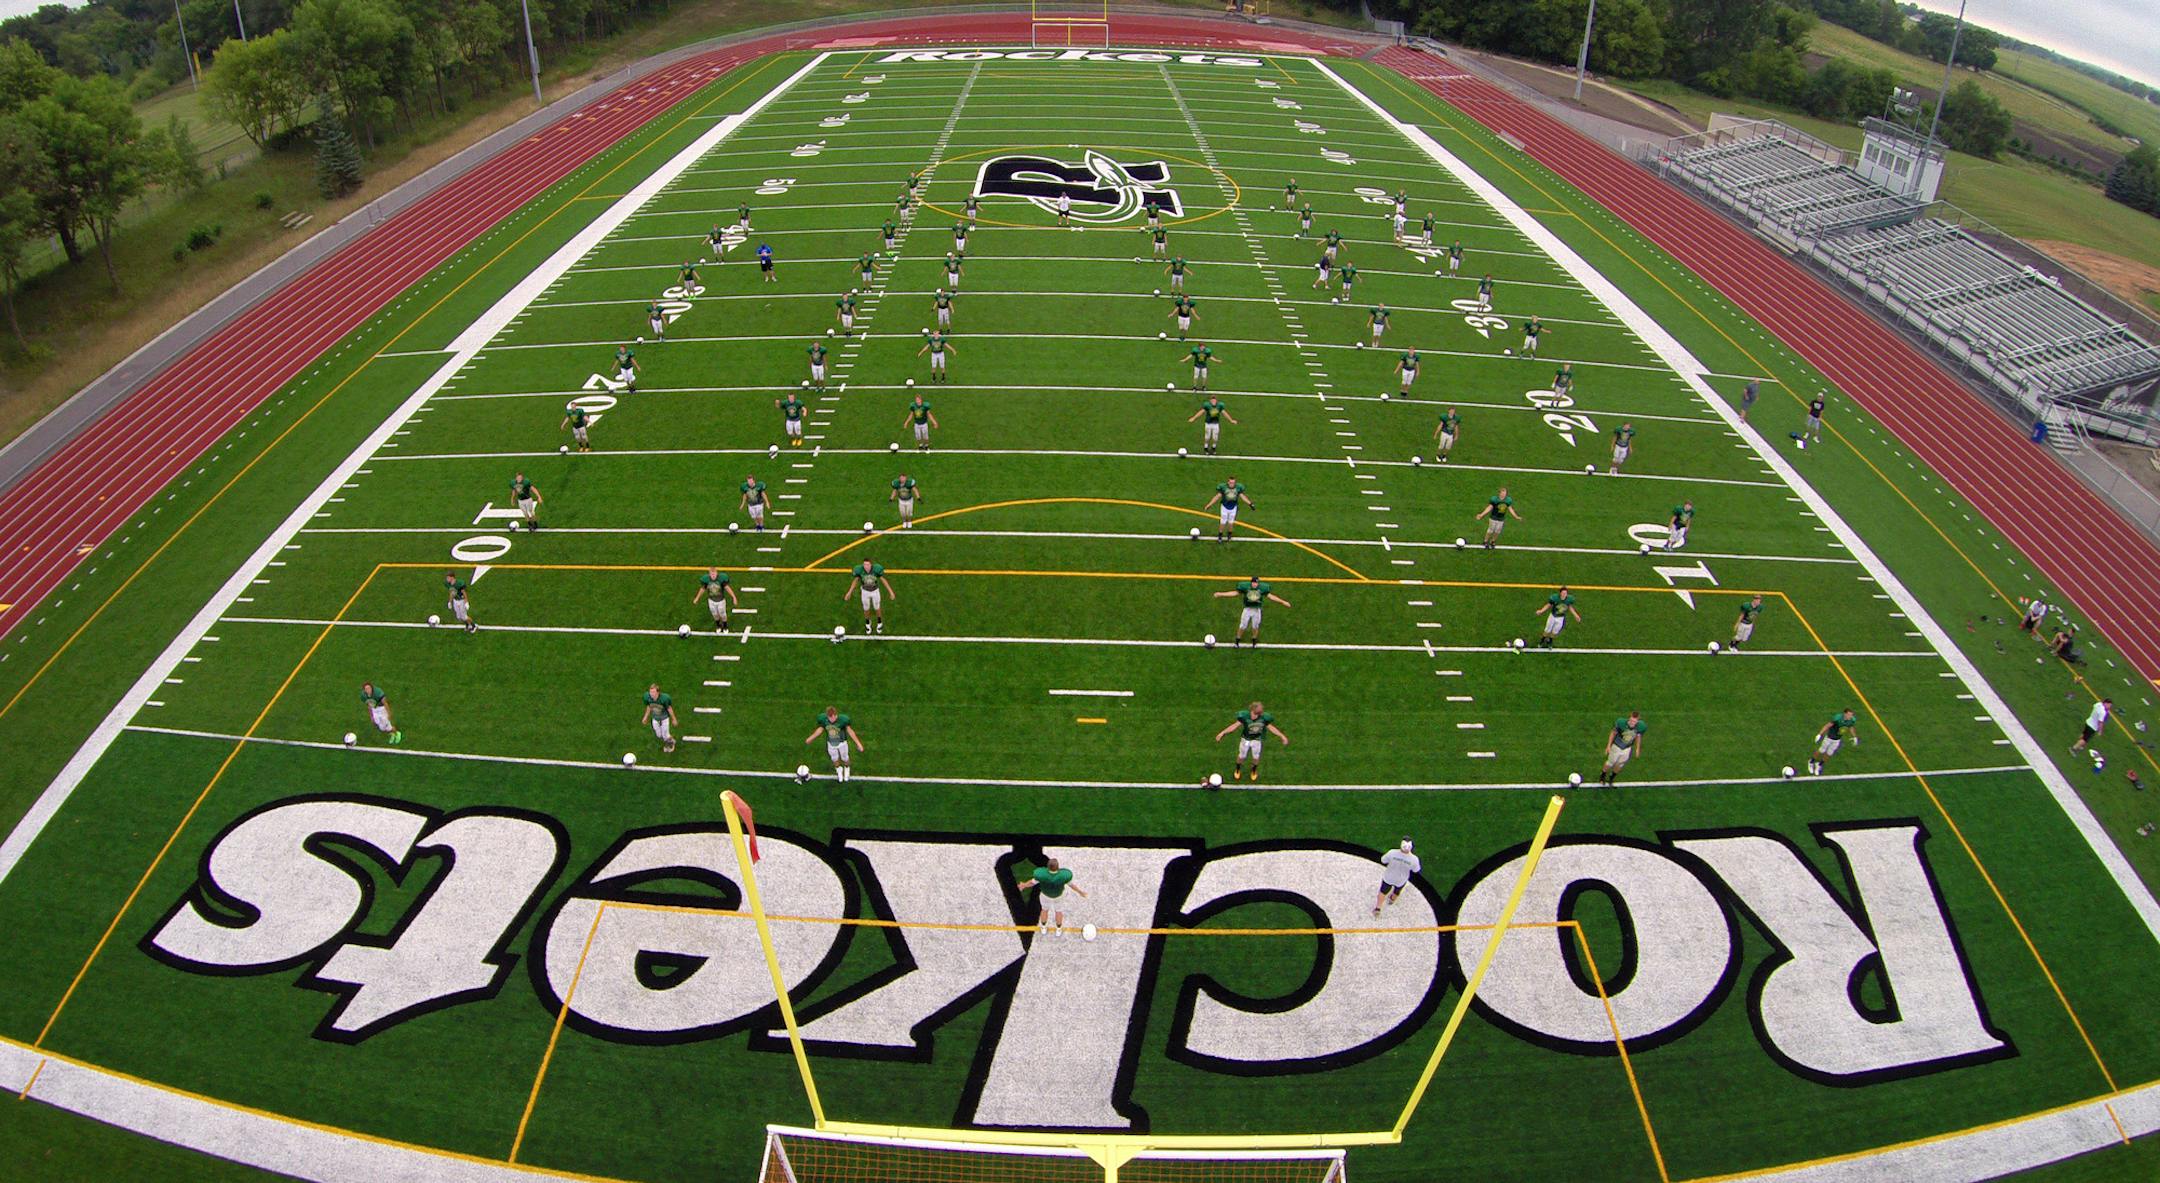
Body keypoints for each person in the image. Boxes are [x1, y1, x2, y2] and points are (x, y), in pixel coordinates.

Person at [1215, 700, 1289, 782]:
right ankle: (1238, 768)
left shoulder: (1264, 718)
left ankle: (1253, 770)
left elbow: (1271, 728)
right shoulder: (1245, 716)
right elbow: (1234, 726)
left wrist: (1281, 736)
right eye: (1256, 713)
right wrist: (1223, 733)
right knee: (1242, 756)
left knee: (1256, 757)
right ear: (1252, 710)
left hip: (1257, 740)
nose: (1257, 716)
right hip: (1246, 739)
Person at [1018, 857, 1088, 934]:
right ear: (1058, 867)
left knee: (1044, 910)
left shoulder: (1042, 875)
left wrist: (1023, 885)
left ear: (1048, 867)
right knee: (1058, 912)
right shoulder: (1064, 875)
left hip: (1045, 896)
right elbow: (1071, 885)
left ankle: (1043, 927)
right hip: (1058, 896)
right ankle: (1058, 929)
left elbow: (1032, 883)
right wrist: (1080, 892)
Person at [1215, 575, 1289, 647]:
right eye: (1253, 582)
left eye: (1256, 583)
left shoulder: (1263, 588)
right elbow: (1235, 593)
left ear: (1258, 583)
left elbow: (1271, 596)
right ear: (1251, 583)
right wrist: (1221, 594)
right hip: (1247, 609)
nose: (1254, 584)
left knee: (1255, 626)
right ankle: (1237, 640)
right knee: (1243, 625)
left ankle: (1254, 639)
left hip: (1256, 609)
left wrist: (1283, 602)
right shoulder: (1246, 587)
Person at [805, 706, 863, 783]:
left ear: (836, 715)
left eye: (833, 717)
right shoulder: (823, 719)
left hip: (842, 743)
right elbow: (820, 729)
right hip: (831, 743)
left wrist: (858, 743)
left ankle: (846, 768)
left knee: (845, 758)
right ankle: (839, 770)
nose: (832, 719)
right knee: (834, 758)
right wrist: (811, 738)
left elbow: (850, 731)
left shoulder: (843, 720)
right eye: (830, 717)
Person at [844, 558, 895, 634]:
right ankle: (868, 622)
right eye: (864, 564)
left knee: (877, 607)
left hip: (875, 591)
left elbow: (883, 580)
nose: (866, 566)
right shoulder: (859, 570)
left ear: (871, 565)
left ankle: (879, 622)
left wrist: (891, 592)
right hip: (865, 592)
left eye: (867, 564)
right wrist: (849, 592)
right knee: (866, 608)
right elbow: (855, 580)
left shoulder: (876, 569)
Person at [1373, 839, 1420, 915]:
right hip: (1401, 880)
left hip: (1388, 877)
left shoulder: (1392, 853)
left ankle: (1378, 908)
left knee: (1383, 892)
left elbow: (1383, 860)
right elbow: (1416, 870)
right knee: (1397, 891)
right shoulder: (1414, 859)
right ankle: (1392, 900)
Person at [1807, 709, 1859, 776]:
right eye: (1849, 714)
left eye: (1851, 715)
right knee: (1821, 750)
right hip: (1829, 738)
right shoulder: (1837, 718)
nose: (1850, 716)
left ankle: (1819, 764)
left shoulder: (1852, 720)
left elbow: (1851, 727)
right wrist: (1820, 734)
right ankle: (1811, 761)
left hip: (1837, 739)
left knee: (1829, 753)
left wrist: (1854, 736)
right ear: (1845, 714)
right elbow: (1827, 725)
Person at [1600, 711, 1646, 785]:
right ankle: (1603, 775)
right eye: (1631, 720)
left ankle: (1611, 778)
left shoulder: (1641, 727)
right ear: (1629, 718)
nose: (1632, 722)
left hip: (1627, 748)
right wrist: (1608, 746)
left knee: (1620, 764)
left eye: (1634, 721)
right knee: (1610, 763)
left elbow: (1638, 736)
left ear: (1638, 721)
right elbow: (1613, 733)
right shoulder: (1621, 723)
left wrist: (1637, 748)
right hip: (1617, 746)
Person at [1203, 476, 1254, 542]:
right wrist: (1209, 505)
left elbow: (1242, 497)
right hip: (1224, 506)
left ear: (1235, 483)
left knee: (1231, 522)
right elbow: (1217, 497)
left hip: (1233, 507)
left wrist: (1250, 504)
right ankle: (1220, 535)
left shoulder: (1238, 488)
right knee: (1223, 522)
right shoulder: (1223, 488)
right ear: (1228, 482)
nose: (1231, 484)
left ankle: (1229, 534)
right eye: (1230, 482)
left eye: (1233, 483)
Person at [642, 683, 677, 755]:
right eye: (650, 692)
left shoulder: (664, 699)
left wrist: (674, 719)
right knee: (659, 735)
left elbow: (669, 708)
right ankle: (671, 739)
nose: (651, 694)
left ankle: (670, 745)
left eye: (653, 692)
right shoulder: (647, 697)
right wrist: (645, 717)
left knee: (665, 735)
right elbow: (649, 707)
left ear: (658, 692)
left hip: (664, 718)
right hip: (655, 718)